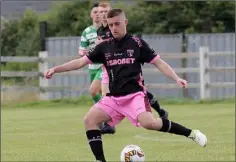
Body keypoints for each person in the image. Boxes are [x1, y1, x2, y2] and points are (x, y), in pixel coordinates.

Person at [44, 9, 207, 162]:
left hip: (135, 96)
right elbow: (80, 62)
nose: (114, 28)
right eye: (110, 24)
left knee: (150, 123)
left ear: (125, 22)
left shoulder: (137, 43)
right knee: (89, 120)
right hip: (113, 98)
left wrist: (177, 78)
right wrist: (55, 69)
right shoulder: (103, 47)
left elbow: (159, 62)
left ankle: (191, 133)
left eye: (117, 24)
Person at [96, 2, 168, 135]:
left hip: (123, 65)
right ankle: (107, 124)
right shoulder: (100, 31)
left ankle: (160, 111)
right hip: (108, 68)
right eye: (100, 12)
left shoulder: (117, 28)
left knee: (138, 92)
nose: (102, 14)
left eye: (105, 11)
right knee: (106, 94)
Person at [78, 3, 102, 104]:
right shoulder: (86, 32)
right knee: (97, 94)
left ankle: (106, 113)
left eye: (99, 12)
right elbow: (81, 50)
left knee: (93, 91)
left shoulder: (108, 30)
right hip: (92, 67)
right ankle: (104, 116)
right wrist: (84, 53)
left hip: (103, 66)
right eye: (95, 12)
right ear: (91, 15)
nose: (97, 14)